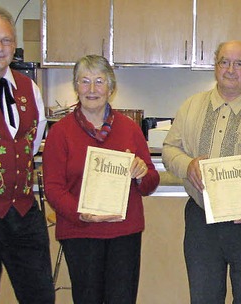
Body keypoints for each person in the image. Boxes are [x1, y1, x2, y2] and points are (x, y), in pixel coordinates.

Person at [162, 40, 241, 304]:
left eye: (239, 63)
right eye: (224, 61)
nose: (231, 69)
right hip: (202, 222)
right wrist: (187, 165)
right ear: (215, 66)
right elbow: (169, 149)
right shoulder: (191, 106)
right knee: (203, 298)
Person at [42, 54, 160, 304]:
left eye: (99, 81)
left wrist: (141, 174)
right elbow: (53, 188)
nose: (92, 89)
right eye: (84, 81)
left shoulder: (130, 129)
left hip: (123, 233)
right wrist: (80, 213)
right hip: (80, 232)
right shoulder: (60, 132)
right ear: (76, 87)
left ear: (111, 88)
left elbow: (151, 180)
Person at [0, 6, 53, 303]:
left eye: (5, 40)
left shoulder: (29, 88)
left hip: (23, 212)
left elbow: (31, 142)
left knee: (40, 295)